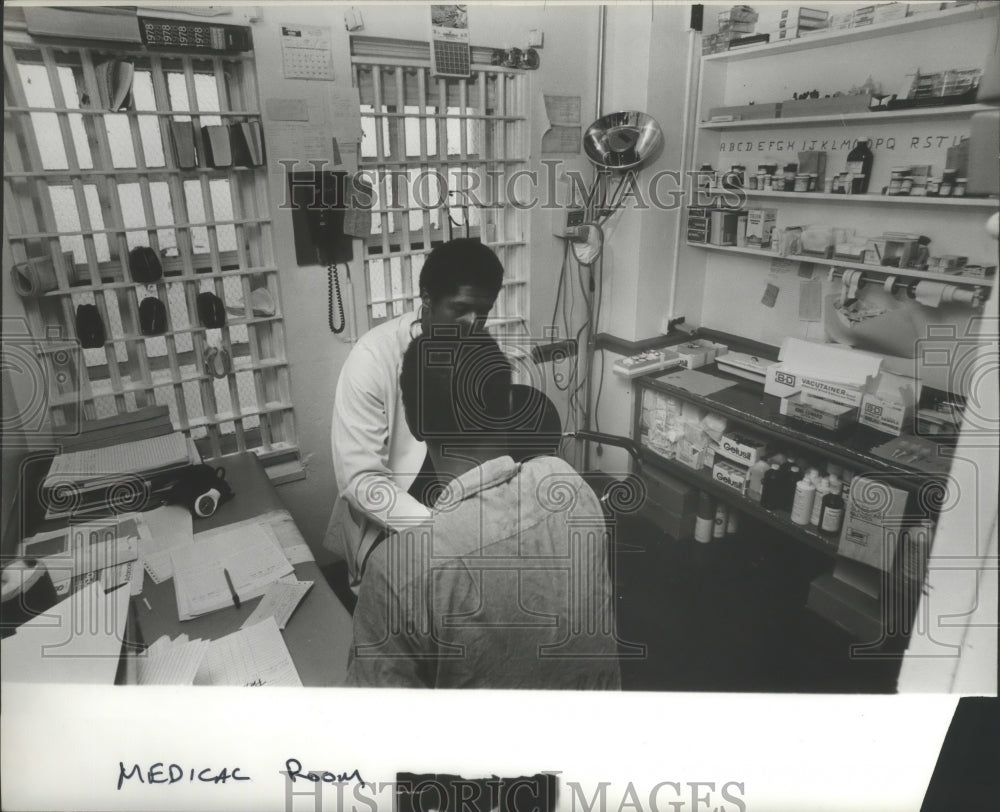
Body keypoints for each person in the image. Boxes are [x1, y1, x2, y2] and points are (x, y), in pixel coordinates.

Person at [346, 332, 622, 689]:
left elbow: (374, 727)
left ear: (414, 424)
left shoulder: (396, 571)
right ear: (509, 405)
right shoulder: (568, 484)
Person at [324, 239, 505, 590]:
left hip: (459, 500)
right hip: (393, 517)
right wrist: (445, 532)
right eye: (462, 309)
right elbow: (361, 482)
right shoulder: (373, 358)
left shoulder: (475, 351)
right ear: (426, 299)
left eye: (483, 313)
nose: (474, 324)